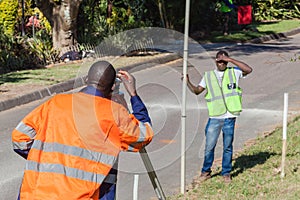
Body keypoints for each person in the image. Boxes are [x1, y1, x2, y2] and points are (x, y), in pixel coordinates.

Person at [12, 60, 154, 199]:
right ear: (112, 87)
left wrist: (47, 161)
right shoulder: (113, 113)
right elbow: (144, 135)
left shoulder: (55, 103)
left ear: (86, 79)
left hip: (33, 194)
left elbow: (19, 138)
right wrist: (133, 95)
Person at [186, 50, 252, 183]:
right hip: (215, 116)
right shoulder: (209, 76)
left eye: (224, 60)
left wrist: (231, 60)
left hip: (230, 116)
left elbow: (249, 69)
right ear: (215, 61)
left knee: (227, 146)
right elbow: (198, 91)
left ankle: (226, 172)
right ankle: (206, 172)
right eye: (219, 60)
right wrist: (187, 82)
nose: (222, 63)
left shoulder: (234, 72)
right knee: (209, 146)